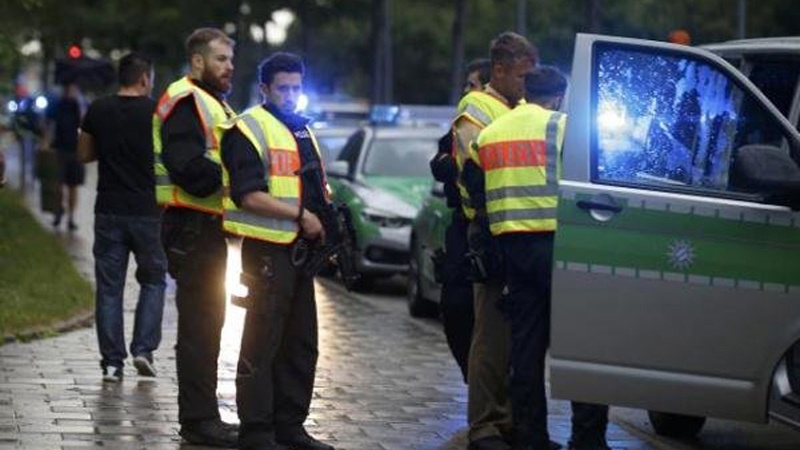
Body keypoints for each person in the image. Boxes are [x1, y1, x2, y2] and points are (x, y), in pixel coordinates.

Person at [474, 67, 610, 450]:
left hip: (512, 249)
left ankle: (531, 436)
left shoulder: (491, 133)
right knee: (583, 342)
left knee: (526, 348)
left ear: (526, 91)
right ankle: (587, 439)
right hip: (560, 244)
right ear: (559, 96)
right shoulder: (563, 127)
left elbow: (474, 187)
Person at [220, 52, 334, 450]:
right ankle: (257, 430)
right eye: (282, 88)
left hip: (300, 252)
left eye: (297, 88)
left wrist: (327, 230)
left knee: (301, 343)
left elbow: (314, 187)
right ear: (264, 88)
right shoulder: (247, 128)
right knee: (263, 341)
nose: (290, 95)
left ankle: (291, 426)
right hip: (267, 252)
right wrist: (300, 216)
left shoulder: (302, 130)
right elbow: (248, 195)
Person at [153, 28, 237, 447]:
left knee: (209, 325)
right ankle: (198, 421)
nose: (229, 67)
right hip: (191, 225)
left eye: (231, 60)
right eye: (221, 59)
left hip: (203, 227)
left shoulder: (211, 102)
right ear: (198, 61)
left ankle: (204, 416)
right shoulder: (187, 101)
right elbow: (187, 167)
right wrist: (236, 177)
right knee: (201, 328)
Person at [454, 32, 537, 450]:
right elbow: (476, 171)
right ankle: (484, 425)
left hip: (522, 231)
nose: (526, 84)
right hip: (489, 228)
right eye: (522, 76)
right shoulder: (476, 108)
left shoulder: (519, 107)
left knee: (518, 335)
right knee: (491, 334)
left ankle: (511, 422)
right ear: (499, 70)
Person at [77, 52, 167, 383]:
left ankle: (112, 363)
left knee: (109, 288)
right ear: (145, 78)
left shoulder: (98, 109)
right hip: (150, 211)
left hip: (108, 210)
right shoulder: (158, 111)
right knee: (154, 280)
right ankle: (143, 350)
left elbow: (84, 154)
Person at [432, 56, 492, 383]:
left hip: (486, 225)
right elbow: (440, 160)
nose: (466, 93)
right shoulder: (460, 126)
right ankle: (474, 378)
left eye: (471, 85)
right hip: (460, 224)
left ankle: (490, 388)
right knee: (454, 307)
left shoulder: (495, 123)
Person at [46, 83, 85, 230]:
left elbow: (85, 123)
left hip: (76, 151)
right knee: (58, 185)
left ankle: (71, 218)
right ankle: (58, 212)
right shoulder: (58, 103)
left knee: (73, 186)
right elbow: (49, 123)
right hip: (60, 149)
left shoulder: (80, 104)